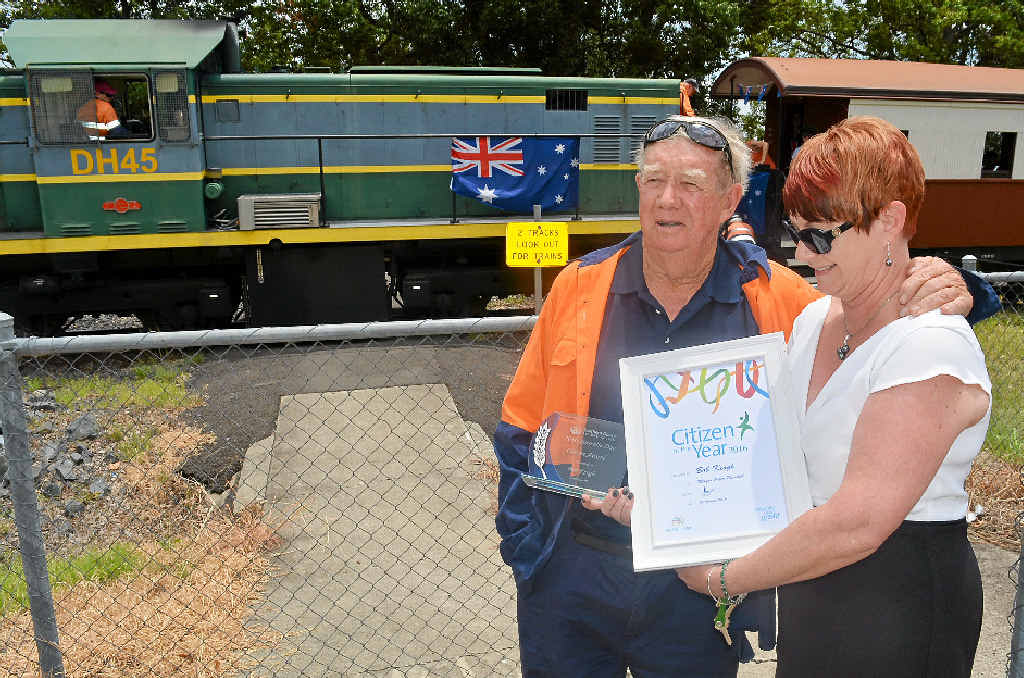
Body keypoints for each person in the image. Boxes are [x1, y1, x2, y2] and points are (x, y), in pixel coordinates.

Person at [493, 114, 995, 678]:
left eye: (690, 184)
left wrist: (964, 288)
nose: (667, 199)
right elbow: (518, 428)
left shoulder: (781, 299)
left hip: (696, 597)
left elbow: (876, 302)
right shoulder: (580, 286)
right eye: (653, 180)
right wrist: (530, 553)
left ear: (731, 199)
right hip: (574, 577)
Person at [670, 116, 991, 677]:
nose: (803, 253)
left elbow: (859, 521)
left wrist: (725, 578)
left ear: (891, 220)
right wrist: (664, 501)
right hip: (813, 585)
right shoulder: (817, 318)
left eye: (821, 235)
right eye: (796, 232)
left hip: (898, 603)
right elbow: (765, 450)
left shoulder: (931, 341)